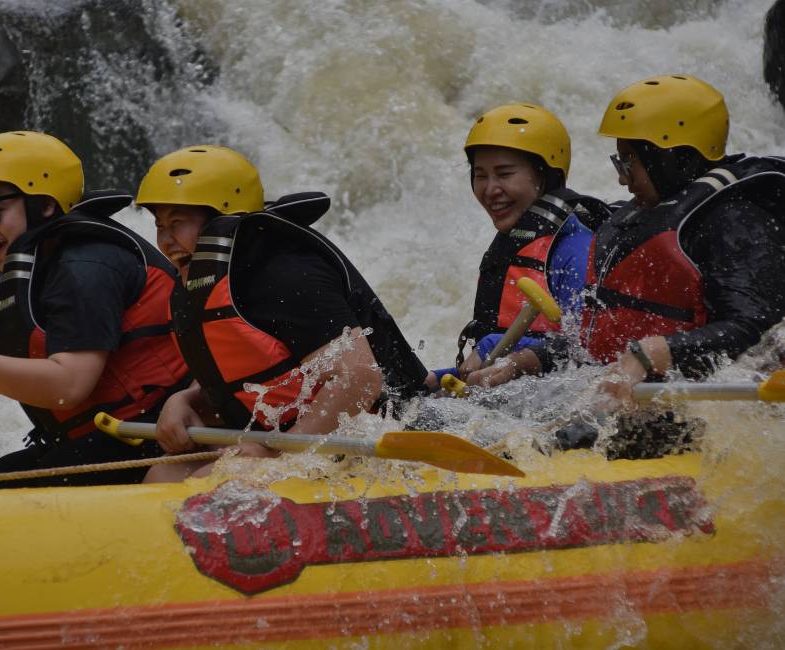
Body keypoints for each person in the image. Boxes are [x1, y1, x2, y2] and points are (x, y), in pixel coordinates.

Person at [0, 131, 190, 487]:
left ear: (45, 205)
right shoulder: (44, 261)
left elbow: (69, 386)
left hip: (162, 433)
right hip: (113, 433)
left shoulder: (86, 264)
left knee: (3, 487)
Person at [469, 74, 785, 403]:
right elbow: (601, 335)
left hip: (713, 407)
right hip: (643, 397)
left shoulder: (736, 221)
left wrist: (651, 354)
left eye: (630, 161)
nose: (622, 178)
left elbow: (755, 331)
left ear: (675, 156)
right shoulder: (641, 219)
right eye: (619, 161)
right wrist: (526, 362)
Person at [135, 145, 428, 481]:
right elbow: (256, 378)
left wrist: (279, 453)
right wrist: (186, 400)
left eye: (177, 223)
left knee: (211, 481)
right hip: (294, 442)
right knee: (163, 475)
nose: (166, 240)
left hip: (380, 436)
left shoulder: (286, 274)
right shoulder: (203, 286)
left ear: (223, 222)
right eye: (160, 225)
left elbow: (359, 379)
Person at [427, 103, 610, 389]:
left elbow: (591, 345)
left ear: (542, 176)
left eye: (504, 173)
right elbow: (484, 367)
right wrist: (434, 379)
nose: (490, 190)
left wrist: (491, 345)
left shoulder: (576, 250)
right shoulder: (514, 243)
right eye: (480, 175)